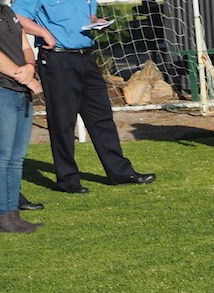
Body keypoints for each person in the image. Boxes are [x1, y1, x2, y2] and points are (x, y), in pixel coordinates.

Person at [14, 0, 155, 194]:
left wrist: (97, 22)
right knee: (63, 121)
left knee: (102, 117)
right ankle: (68, 180)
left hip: (86, 57)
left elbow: (88, 17)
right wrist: (44, 33)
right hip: (58, 58)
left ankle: (120, 173)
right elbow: (17, 17)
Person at [0, 0, 42, 233]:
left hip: (19, 90)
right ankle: (3, 214)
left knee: (16, 158)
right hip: (3, 90)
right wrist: (24, 76)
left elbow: (24, 43)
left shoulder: (7, 10)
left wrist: (29, 64)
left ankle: (12, 213)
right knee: (3, 157)